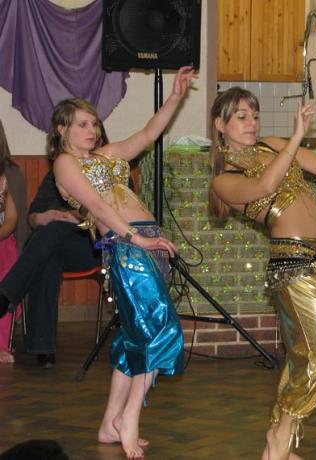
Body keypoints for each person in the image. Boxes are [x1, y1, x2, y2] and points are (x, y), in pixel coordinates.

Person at [208, 87, 316, 460]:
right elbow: (265, 186)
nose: (252, 123)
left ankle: (280, 444)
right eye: (241, 116)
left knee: (303, 356)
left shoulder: (272, 145)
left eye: (255, 115)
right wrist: (295, 138)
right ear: (220, 125)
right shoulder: (224, 180)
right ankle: (282, 432)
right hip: (293, 264)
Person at [34, 66, 194, 459]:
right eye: (82, 124)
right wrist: (137, 238)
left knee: (133, 338)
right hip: (128, 245)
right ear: (61, 129)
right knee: (161, 332)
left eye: (94, 123)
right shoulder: (64, 163)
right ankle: (129, 419)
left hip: (147, 243)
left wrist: (175, 97)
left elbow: (148, 134)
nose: (92, 130)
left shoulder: (106, 155)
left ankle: (109, 423)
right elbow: (95, 205)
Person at [0, 168, 101, 368]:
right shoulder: (56, 172)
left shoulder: (107, 169)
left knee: (50, 234)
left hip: (91, 245)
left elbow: (116, 216)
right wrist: (41, 218)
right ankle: (43, 348)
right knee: (47, 255)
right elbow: (31, 216)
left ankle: (6, 293)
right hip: (52, 245)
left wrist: (77, 216)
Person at [0, 121, 18, 364]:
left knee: (5, 281)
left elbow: (12, 218)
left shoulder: (5, 178)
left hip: (3, 242)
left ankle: (1, 344)